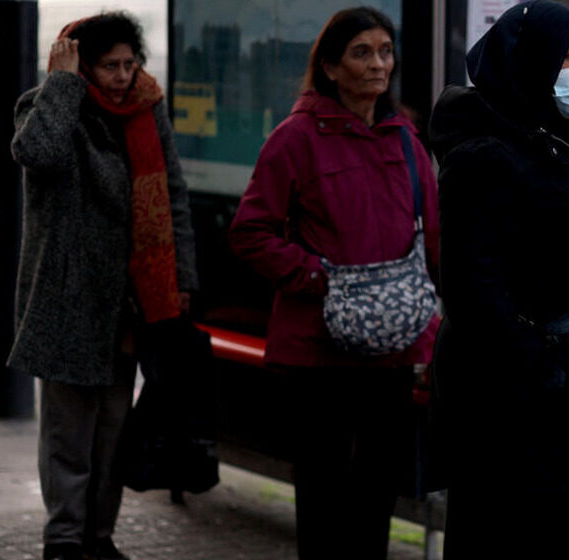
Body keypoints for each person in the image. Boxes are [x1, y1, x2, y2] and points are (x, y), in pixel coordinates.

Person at [428, 1, 569, 557]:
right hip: (514, 412)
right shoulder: (484, 153)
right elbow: (474, 292)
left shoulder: (567, 138)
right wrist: (549, 366)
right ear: (530, 61)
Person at [228, 7, 440, 559]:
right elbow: (250, 233)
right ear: (329, 66)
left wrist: (434, 320)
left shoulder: (406, 141)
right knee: (322, 500)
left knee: (376, 497)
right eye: (361, 53)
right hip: (318, 354)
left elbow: (434, 241)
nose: (378, 65)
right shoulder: (295, 139)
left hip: (392, 353)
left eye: (385, 52)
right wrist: (318, 277)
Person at [9, 12, 197, 560]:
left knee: (112, 428)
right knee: (69, 434)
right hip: (68, 298)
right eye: (108, 65)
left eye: (129, 63)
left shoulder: (145, 110)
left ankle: (99, 536)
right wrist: (64, 84)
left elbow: (175, 195)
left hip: (129, 300)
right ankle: (64, 539)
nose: (121, 76)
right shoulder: (46, 105)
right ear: (82, 65)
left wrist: (181, 280)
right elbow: (38, 154)